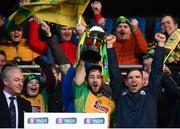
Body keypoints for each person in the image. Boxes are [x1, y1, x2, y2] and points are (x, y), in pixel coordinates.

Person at [108, 32, 166, 127]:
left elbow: (156, 71)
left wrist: (160, 44)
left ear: (143, 80)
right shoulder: (120, 93)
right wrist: (110, 46)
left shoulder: (152, 93)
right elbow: (114, 71)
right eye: (130, 77)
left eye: (137, 77)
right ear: (126, 82)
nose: (134, 79)